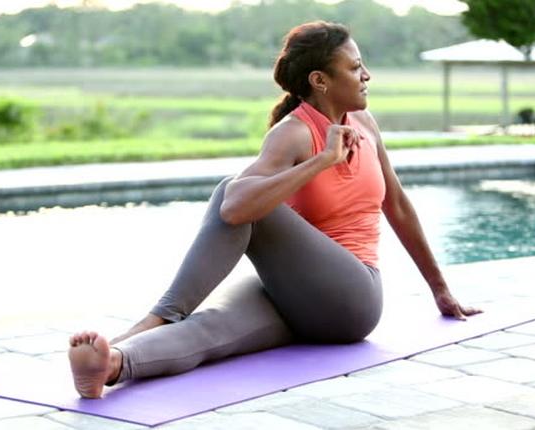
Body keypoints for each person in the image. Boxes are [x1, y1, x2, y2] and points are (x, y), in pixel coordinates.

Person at [68, 20, 481, 399]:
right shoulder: (293, 134)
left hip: (352, 300)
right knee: (211, 328)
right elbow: (234, 209)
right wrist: (323, 159)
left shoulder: (366, 124)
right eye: (355, 68)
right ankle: (114, 365)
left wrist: (440, 289)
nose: (366, 75)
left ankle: (157, 317)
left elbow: (398, 207)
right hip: (297, 298)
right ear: (320, 80)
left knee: (235, 193)